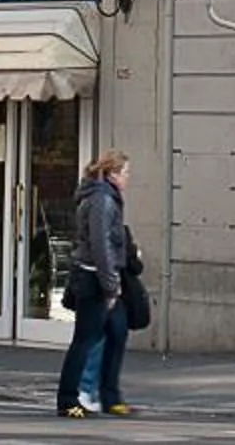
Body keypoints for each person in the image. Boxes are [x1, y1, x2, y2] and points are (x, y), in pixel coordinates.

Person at [58, 151, 134, 419]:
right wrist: (111, 287)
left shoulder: (106, 197)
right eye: (125, 173)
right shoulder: (102, 199)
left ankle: (109, 396)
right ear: (113, 175)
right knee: (85, 339)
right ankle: (68, 399)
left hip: (102, 276)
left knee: (118, 332)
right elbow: (100, 245)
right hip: (93, 278)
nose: (128, 178)